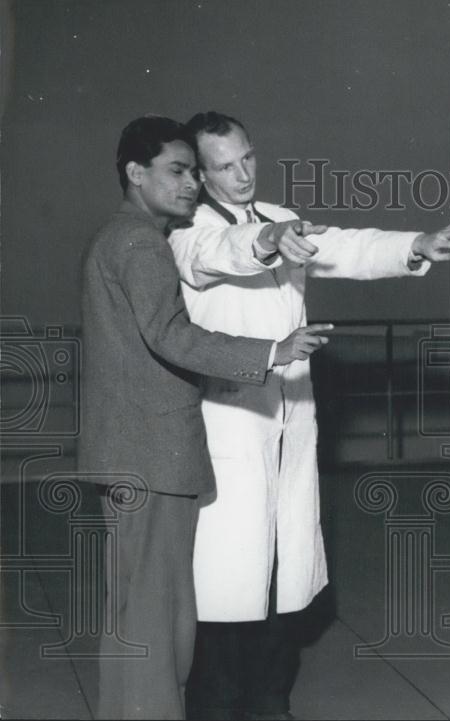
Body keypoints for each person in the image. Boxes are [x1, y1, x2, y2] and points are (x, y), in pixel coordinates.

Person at [167, 111, 450, 720]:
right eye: (225, 166)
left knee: (283, 586)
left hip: (290, 425)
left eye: (247, 156)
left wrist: (416, 246)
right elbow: (221, 254)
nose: (243, 173)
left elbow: (348, 246)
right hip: (229, 427)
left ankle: (272, 705)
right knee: (225, 593)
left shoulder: (281, 219)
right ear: (200, 174)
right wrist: (266, 244)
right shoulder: (184, 231)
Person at [79, 115, 332, 720]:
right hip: (151, 456)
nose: (192, 183)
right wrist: (270, 353)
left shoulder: (123, 236)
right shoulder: (140, 242)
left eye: (195, 171)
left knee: (146, 621)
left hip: (138, 455)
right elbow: (171, 335)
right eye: (177, 170)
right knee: (153, 627)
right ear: (134, 173)